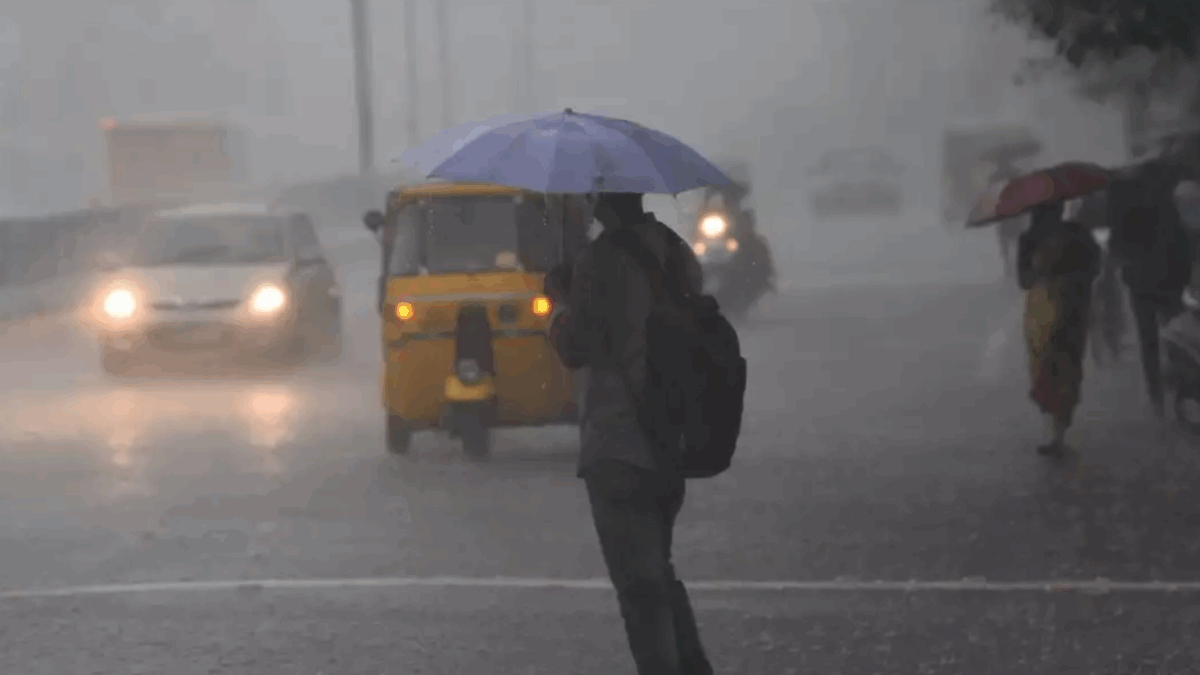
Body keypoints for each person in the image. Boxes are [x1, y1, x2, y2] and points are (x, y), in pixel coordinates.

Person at [545, 191, 712, 675]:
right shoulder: (675, 250)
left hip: (620, 442)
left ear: (601, 201)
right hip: (671, 439)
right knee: (658, 570)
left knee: (639, 587)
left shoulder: (600, 259)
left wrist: (559, 303)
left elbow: (576, 345)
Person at [1108, 163, 1193, 419]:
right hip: (1170, 279)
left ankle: (1156, 394)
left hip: (1141, 282)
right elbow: (1182, 241)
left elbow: (1117, 246)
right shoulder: (1165, 204)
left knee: (1148, 339)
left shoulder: (1123, 209)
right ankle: (1182, 384)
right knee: (1176, 333)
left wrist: (1124, 262)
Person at [1017, 200, 1102, 455]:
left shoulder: (1030, 238)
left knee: (1046, 364)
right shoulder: (1077, 232)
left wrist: (1045, 273)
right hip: (1073, 306)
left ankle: (1056, 430)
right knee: (1067, 364)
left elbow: (1024, 280)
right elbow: (1094, 267)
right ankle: (1059, 430)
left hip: (1043, 310)